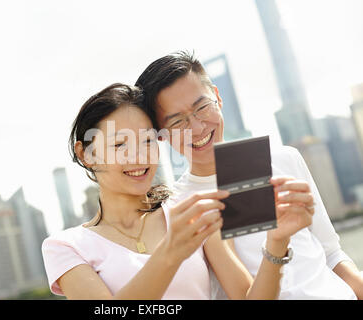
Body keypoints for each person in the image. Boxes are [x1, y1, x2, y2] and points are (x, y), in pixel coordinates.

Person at [41, 83, 313, 299]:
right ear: (86, 153)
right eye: (120, 144)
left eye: (147, 140)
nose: (139, 156)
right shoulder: (66, 247)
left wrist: (277, 241)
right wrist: (171, 252)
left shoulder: (191, 212)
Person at [134, 50, 363, 300]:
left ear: (218, 98)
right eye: (177, 122)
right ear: (161, 134)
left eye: (201, 107)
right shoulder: (177, 208)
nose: (197, 128)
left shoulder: (283, 159)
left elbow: (332, 254)